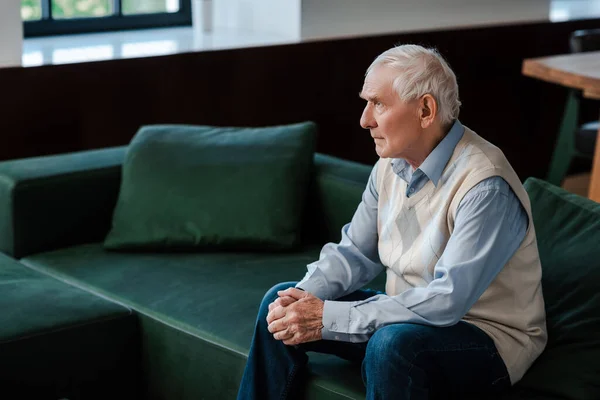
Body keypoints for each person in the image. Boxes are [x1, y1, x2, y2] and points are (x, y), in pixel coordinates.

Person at [236, 44, 547, 400]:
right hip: (408, 318)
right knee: (278, 303)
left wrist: (327, 316)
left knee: (392, 343)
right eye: (367, 103)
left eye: (379, 104)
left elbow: (447, 301)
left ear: (425, 110)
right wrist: (304, 298)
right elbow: (355, 252)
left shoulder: (485, 185)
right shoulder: (391, 164)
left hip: (486, 339)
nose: (365, 119)